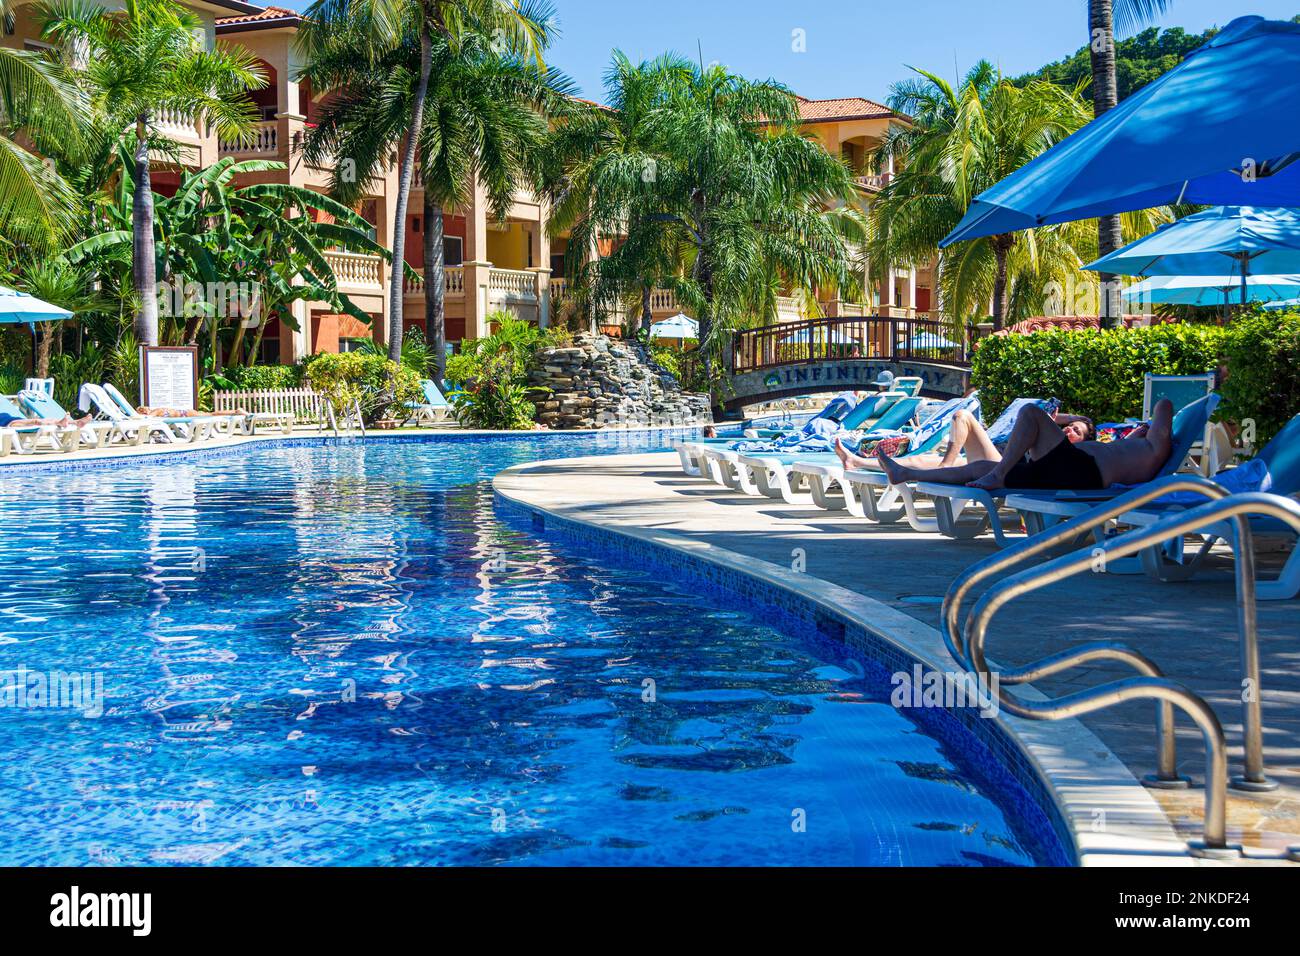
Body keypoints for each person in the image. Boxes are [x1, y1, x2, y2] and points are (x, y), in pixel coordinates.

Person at [836, 399, 1174, 492]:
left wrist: (1150, 423)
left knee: (1030, 413)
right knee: (981, 468)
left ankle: (999, 473)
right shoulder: (1132, 447)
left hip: (1082, 472)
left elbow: (1166, 405)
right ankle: (904, 473)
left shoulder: (1152, 449)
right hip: (1069, 471)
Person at [0, 410, 91, 429]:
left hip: (16, 420)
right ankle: (61, 423)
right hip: (11, 424)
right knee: (36, 421)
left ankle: (76, 422)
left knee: (46, 419)